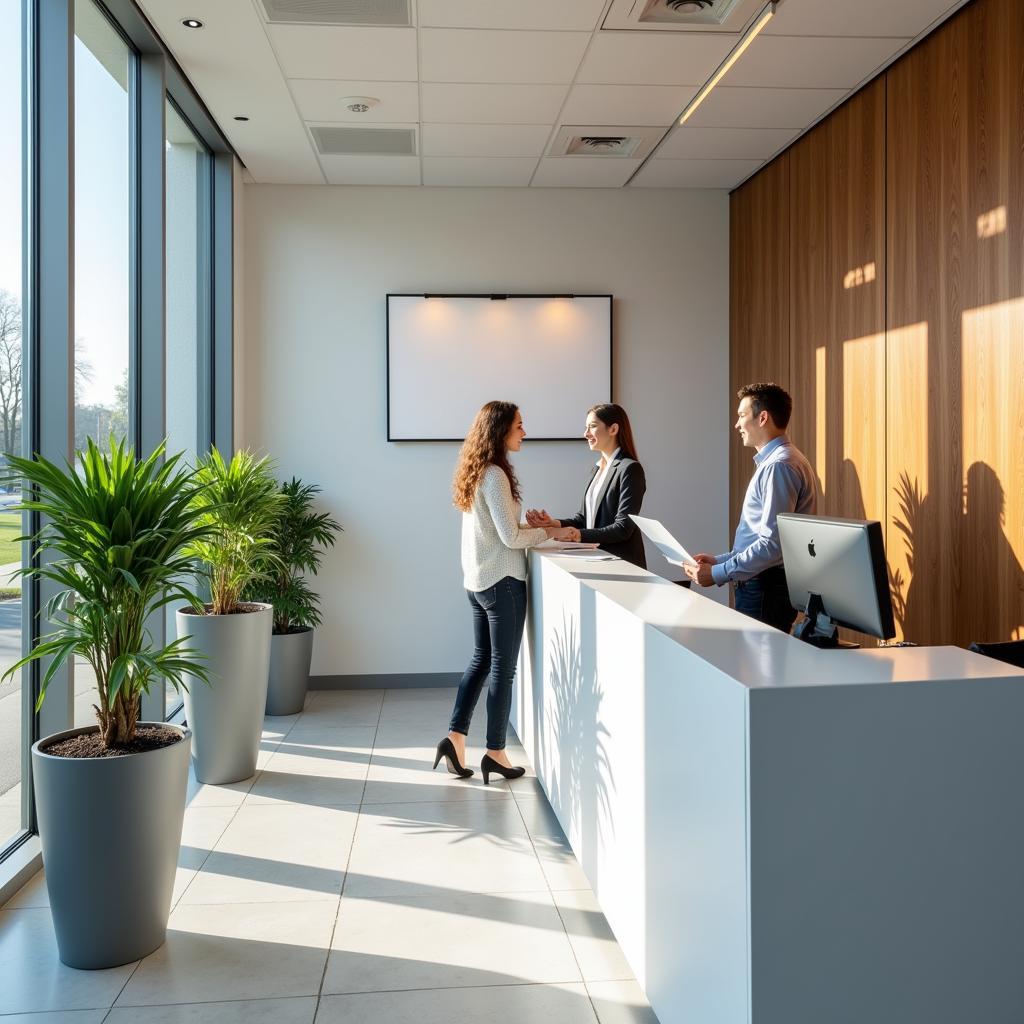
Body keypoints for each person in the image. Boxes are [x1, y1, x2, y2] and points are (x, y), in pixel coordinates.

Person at [435, 401, 579, 784]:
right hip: (502, 584)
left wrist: (535, 525)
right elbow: (510, 537)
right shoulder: (495, 475)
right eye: (519, 425)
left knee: (481, 660)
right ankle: (495, 752)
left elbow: (499, 529)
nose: (524, 431)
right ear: (500, 430)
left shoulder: (477, 471)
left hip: (478, 582)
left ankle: (454, 737)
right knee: (501, 668)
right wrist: (552, 532)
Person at [685, 382, 816, 634]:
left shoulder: (780, 465)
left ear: (763, 417)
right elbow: (763, 538)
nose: (737, 425)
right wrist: (722, 561)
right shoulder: (778, 462)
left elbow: (772, 545)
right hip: (760, 584)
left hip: (765, 587)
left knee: (758, 670)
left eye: (742, 415)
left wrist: (718, 573)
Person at [525, 403, 647, 568]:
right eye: (586, 427)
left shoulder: (629, 469)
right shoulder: (597, 469)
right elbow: (583, 519)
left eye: (593, 426)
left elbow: (623, 528)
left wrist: (577, 535)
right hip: (597, 559)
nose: (586, 433)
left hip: (622, 563)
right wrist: (554, 523)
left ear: (613, 429)